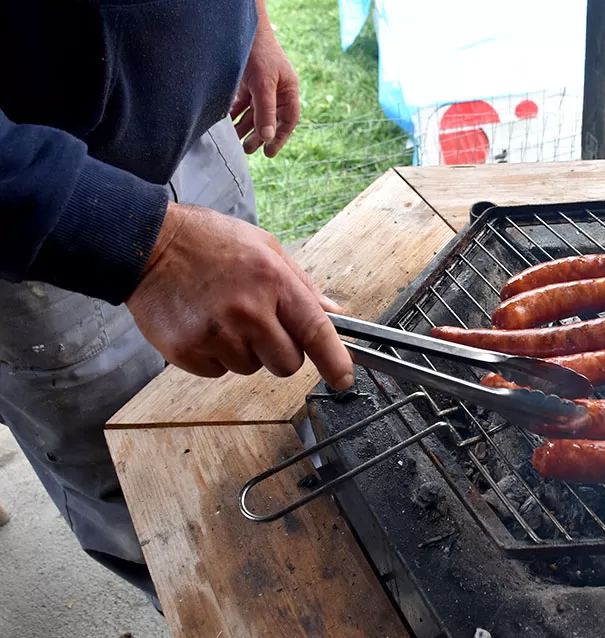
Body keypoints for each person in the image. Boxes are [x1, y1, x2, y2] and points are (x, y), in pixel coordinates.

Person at [0, 0, 354, 606]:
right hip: (45, 226)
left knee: (246, 391)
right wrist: (147, 246)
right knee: (146, 502)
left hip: (201, 127)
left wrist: (253, 27)